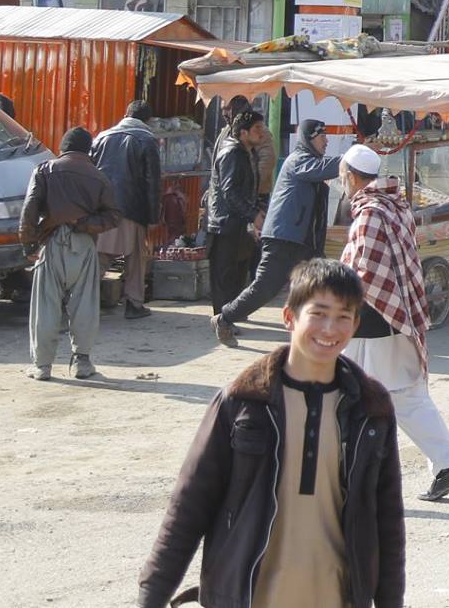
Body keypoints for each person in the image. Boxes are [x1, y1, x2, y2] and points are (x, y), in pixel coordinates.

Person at [140, 259, 404, 608]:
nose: (330, 328)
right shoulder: (244, 401)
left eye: (343, 316)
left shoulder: (370, 408)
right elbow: (190, 505)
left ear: (355, 325)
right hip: (249, 597)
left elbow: (387, 519)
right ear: (289, 317)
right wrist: (151, 597)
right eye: (319, 313)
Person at [331, 143, 449, 503]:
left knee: (360, 398)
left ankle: (361, 478)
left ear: (353, 177)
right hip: (396, 316)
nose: (342, 184)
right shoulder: (396, 206)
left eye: (344, 177)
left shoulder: (368, 214)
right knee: (406, 396)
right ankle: (446, 465)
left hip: (374, 319)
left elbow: (363, 274)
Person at [215, 118, 345, 346]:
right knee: (265, 288)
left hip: (303, 241)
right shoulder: (299, 161)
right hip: (283, 239)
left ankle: (317, 331)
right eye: (321, 136)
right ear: (308, 139)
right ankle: (225, 318)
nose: (326, 141)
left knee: (319, 285)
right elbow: (327, 169)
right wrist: (353, 158)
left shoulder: (311, 162)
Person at [20, 126, 122, 381]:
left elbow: (30, 209)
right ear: (89, 150)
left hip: (52, 243)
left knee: (45, 306)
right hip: (84, 244)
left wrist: (29, 245)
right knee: (85, 304)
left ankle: (42, 366)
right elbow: (113, 216)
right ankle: (82, 363)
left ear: (62, 147)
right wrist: (83, 224)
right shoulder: (99, 177)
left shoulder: (44, 170)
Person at [90, 99, 162, 320]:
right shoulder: (147, 140)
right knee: (135, 259)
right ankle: (134, 304)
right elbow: (152, 182)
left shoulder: (102, 137)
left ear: (125, 114)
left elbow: (91, 172)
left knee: (100, 257)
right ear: (147, 120)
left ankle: (81, 300)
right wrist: (153, 216)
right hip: (132, 209)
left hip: (102, 208)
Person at [206, 109, 264, 313]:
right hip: (225, 224)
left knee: (238, 273)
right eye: (257, 128)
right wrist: (253, 215)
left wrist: (257, 211)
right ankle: (222, 318)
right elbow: (229, 191)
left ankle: (231, 315)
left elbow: (248, 189)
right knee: (225, 276)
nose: (262, 132)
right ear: (243, 132)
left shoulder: (249, 153)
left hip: (239, 223)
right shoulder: (231, 153)